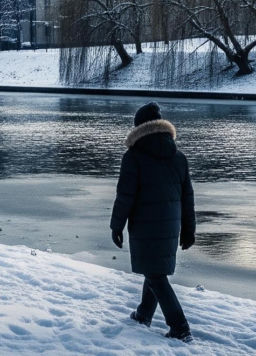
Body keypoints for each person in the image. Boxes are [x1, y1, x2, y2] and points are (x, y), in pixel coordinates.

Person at [110, 101, 196, 343]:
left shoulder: (133, 157)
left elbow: (125, 196)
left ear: (139, 127)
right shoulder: (179, 157)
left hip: (144, 225)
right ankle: (143, 314)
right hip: (170, 225)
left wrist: (116, 225)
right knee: (154, 270)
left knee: (155, 274)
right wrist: (189, 229)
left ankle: (180, 327)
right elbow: (187, 197)